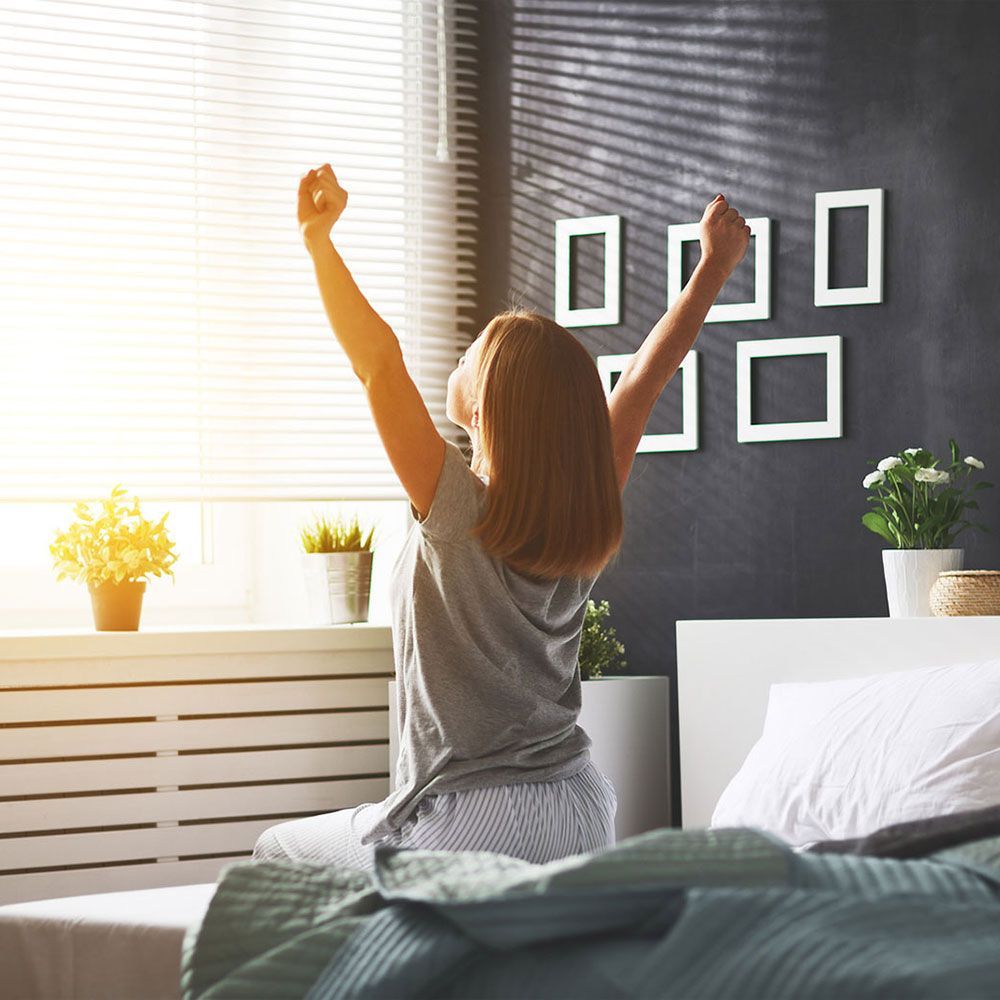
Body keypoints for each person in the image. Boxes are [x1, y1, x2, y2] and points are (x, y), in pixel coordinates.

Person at [252, 164, 750, 871]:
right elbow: (648, 374)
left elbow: (380, 365)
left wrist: (318, 243)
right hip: (580, 806)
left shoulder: (455, 506)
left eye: (471, 352)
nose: (458, 356)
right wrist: (714, 267)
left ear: (486, 406)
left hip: (473, 816)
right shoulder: (588, 501)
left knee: (276, 851)